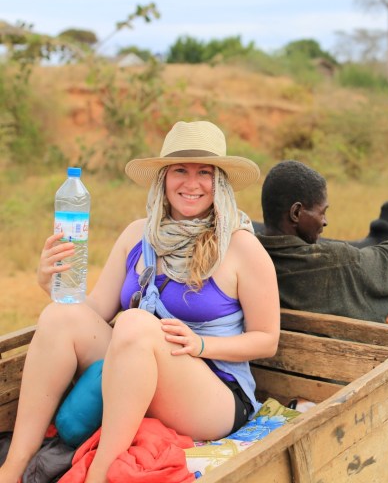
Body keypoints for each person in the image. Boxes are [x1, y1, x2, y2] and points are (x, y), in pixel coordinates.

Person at [0, 120, 280, 483]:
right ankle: (13, 468)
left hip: (214, 393)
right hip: (139, 369)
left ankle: (100, 474)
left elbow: (266, 339)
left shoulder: (241, 247)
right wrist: (50, 284)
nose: (191, 183)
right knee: (59, 316)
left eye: (204, 172)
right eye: (180, 170)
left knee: (134, 323)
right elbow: (94, 311)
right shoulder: (138, 235)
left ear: (220, 181)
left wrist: (201, 344)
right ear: (163, 178)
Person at [257, 159, 388, 327]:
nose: (325, 221)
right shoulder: (333, 261)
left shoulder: (248, 254)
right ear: (296, 213)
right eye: (322, 212)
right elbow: (381, 263)